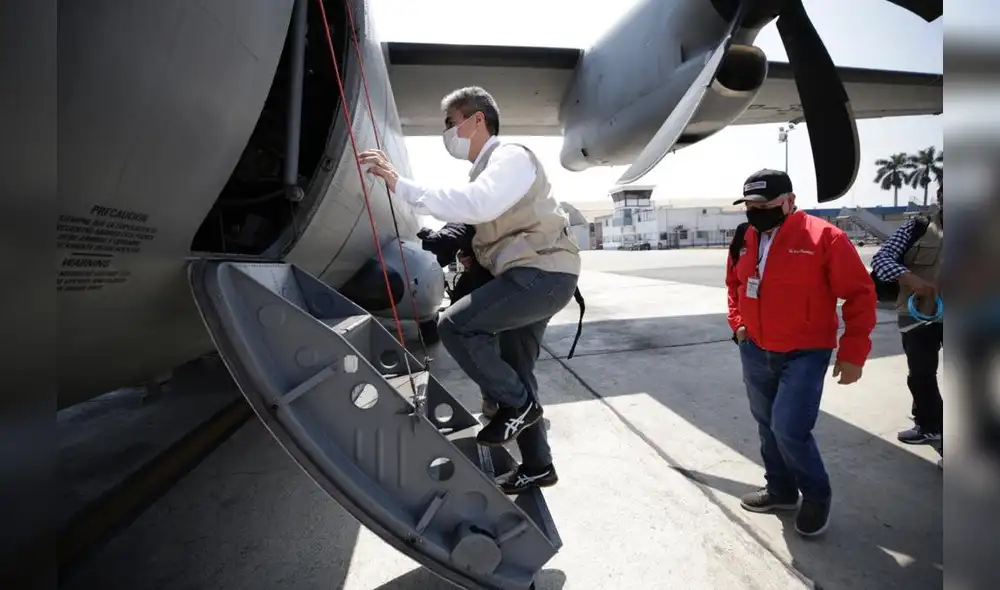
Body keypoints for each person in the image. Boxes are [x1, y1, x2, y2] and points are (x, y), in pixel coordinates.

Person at [360, 86, 581, 494]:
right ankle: (537, 465)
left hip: (540, 275)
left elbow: (477, 205)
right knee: (517, 372)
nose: (447, 133)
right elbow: (474, 220)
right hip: (533, 277)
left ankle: (517, 405)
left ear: (477, 120)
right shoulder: (488, 171)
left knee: (456, 326)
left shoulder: (510, 156)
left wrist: (399, 184)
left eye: (450, 123)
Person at [726, 169, 877, 537]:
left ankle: (816, 495)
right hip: (756, 349)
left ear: (789, 201)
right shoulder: (744, 237)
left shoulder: (825, 237)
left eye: (765, 205)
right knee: (766, 427)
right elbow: (734, 283)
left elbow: (859, 294)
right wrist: (738, 324)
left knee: (789, 428)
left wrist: (854, 351)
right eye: (749, 205)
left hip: (805, 352)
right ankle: (780, 490)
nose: (755, 211)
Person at [871, 185, 944, 451]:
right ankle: (929, 425)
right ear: (940, 195)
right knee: (921, 374)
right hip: (919, 314)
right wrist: (911, 279)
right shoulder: (918, 227)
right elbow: (882, 259)